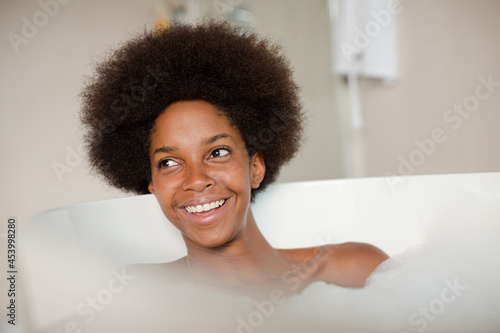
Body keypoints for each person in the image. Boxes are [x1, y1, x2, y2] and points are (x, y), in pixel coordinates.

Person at [81, 20, 388, 298]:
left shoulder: (352, 269)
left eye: (217, 152)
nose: (197, 179)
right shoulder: (140, 293)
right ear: (153, 186)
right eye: (169, 163)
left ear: (256, 167)